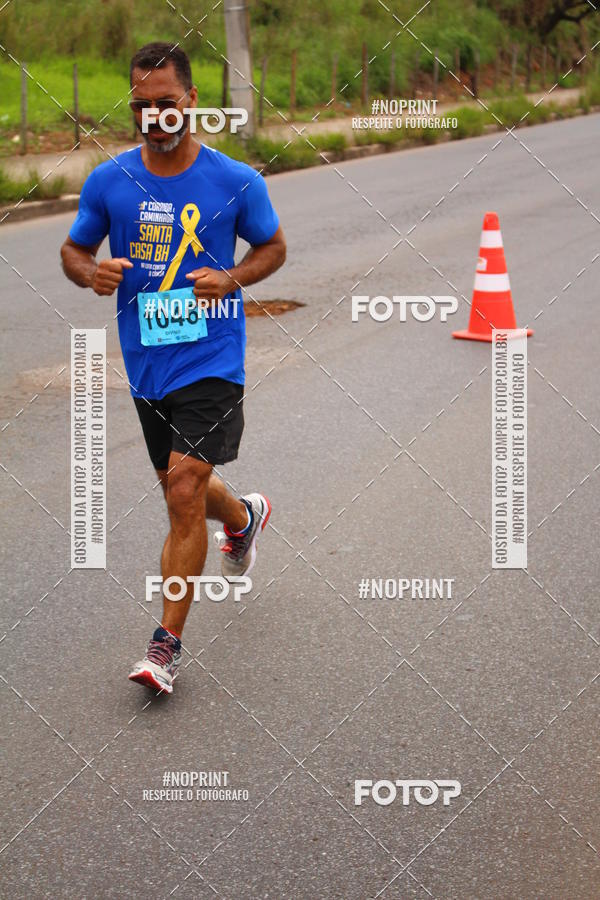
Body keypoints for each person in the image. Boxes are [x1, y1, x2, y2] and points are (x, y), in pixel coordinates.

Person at [61, 42, 286, 694]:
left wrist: (234, 275)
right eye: (142, 105)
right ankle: (243, 518)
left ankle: (165, 647)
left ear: (191, 102)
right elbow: (74, 249)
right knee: (180, 486)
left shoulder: (235, 181)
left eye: (166, 103)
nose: (154, 115)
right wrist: (90, 272)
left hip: (213, 355)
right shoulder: (110, 182)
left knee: (184, 488)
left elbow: (272, 245)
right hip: (146, 362)